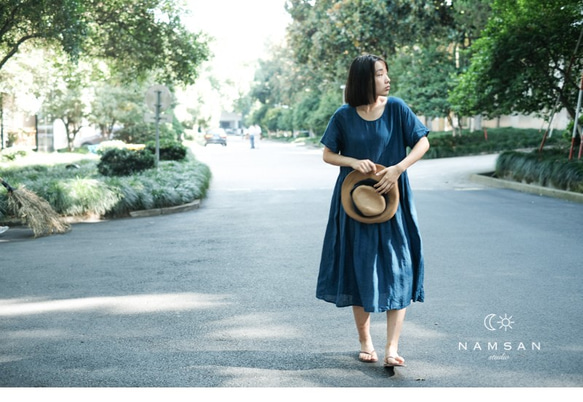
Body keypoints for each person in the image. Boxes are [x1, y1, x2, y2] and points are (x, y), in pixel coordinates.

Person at [316, 54, 430, 368]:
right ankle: (365, 340)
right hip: (355, 203)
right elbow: (327, 154)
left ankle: (392, 347)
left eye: (386, 73)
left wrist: (398, 168)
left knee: (399, 269)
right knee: (360, 267)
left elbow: (422, 143)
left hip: (393, 200)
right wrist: (352, 161)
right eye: (380, 74)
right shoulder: (343, 116)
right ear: (365, 79)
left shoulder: (396, 108)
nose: (386, 78)